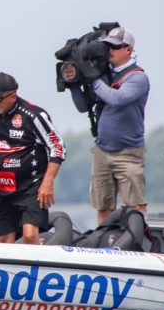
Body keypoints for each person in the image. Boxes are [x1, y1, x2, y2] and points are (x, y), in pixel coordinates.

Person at [64, 26, 149, 224]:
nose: (109, 50)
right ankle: (104, 246)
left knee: (136, 206)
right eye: (108, 46)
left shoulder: (138, 77)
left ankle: (140, 244)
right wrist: (74, 82)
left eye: (115, 46)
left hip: (128, 153)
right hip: (102, 151)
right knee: (103, 206)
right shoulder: (104, 77)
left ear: (128, 49)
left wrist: (92, 78)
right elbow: (84, 107)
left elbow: (117, 98)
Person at [0, 72, 66, 244]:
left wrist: (48, 182)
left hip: (30, 187)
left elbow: (58, 147)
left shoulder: (33, 115)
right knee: (2, 241)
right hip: (2, 188)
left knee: (30, 235)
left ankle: (35, 269)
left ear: (13, 96)